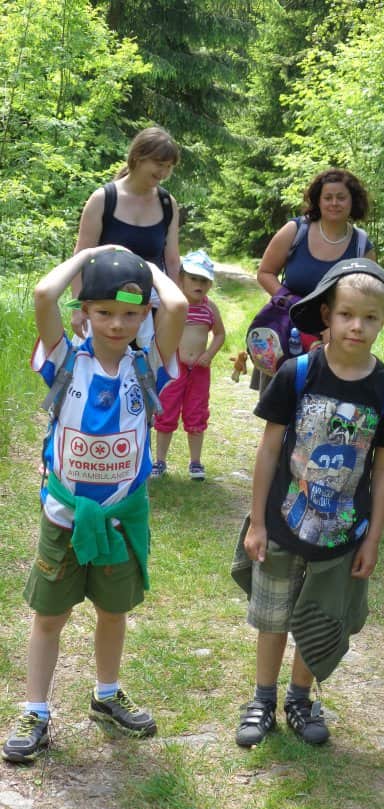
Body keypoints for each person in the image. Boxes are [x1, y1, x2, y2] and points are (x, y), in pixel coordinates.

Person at [2, 246, 187, 764]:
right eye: (104, 311)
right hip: (64, 517)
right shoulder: (65, 361)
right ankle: (35, 710)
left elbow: (176, 307)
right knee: (49, 616)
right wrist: (90, 253)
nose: (117, 324)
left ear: (145, 314)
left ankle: (106, 695)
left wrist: (150, 269)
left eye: (131, 314)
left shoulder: (148, 366)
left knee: (113, 611)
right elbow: (44, 293)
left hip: (121, 519)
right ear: (83, 311)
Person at [232, 258, 384, 747]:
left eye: (370, 317)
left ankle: (299, 699)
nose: (357, 326)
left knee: (317, 618)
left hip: (342, 535)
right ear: (328, 314)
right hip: (282, 522)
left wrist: (373, 539)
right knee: (272, 617)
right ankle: (262, 699)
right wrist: (257, 523)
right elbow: (269, 448)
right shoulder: (298, 373)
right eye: (347, 314)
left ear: (383, 320)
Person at [251, 167, 375, 392]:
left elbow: (369, 298)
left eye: (341, 197)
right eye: (328, 197)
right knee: (278, 406)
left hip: (336, 341)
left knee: (325, 405)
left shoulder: (361, 245)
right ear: (318, 200)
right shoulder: (296, 230)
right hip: (288, 333)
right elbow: (265, 273)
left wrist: (335, 324)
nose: (334, 203)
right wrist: (294, 305)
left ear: (353, 201)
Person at [71, 126, 181, 347]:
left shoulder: (167, 204)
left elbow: (172, 261)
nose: (163, 172)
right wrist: (77, 308)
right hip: (105, 312)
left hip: (148, 312)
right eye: (159, 164)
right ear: (138, 157)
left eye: (169, 167)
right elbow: (80, 258)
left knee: (146, 368)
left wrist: (174, 311)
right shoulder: (103, 199)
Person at [151, 249, 225, 481]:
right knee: (166, 410)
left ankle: (195, 461)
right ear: (181, 278)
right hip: (175, 368)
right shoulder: (174, 304)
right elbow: (158, 331)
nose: (199, 285)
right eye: (193, 278)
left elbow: (220, 334)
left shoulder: (210, 307)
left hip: (199, 370)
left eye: (204, 281)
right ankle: (160, 461)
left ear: (210, 284)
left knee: (197, 412)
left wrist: (209, 354)